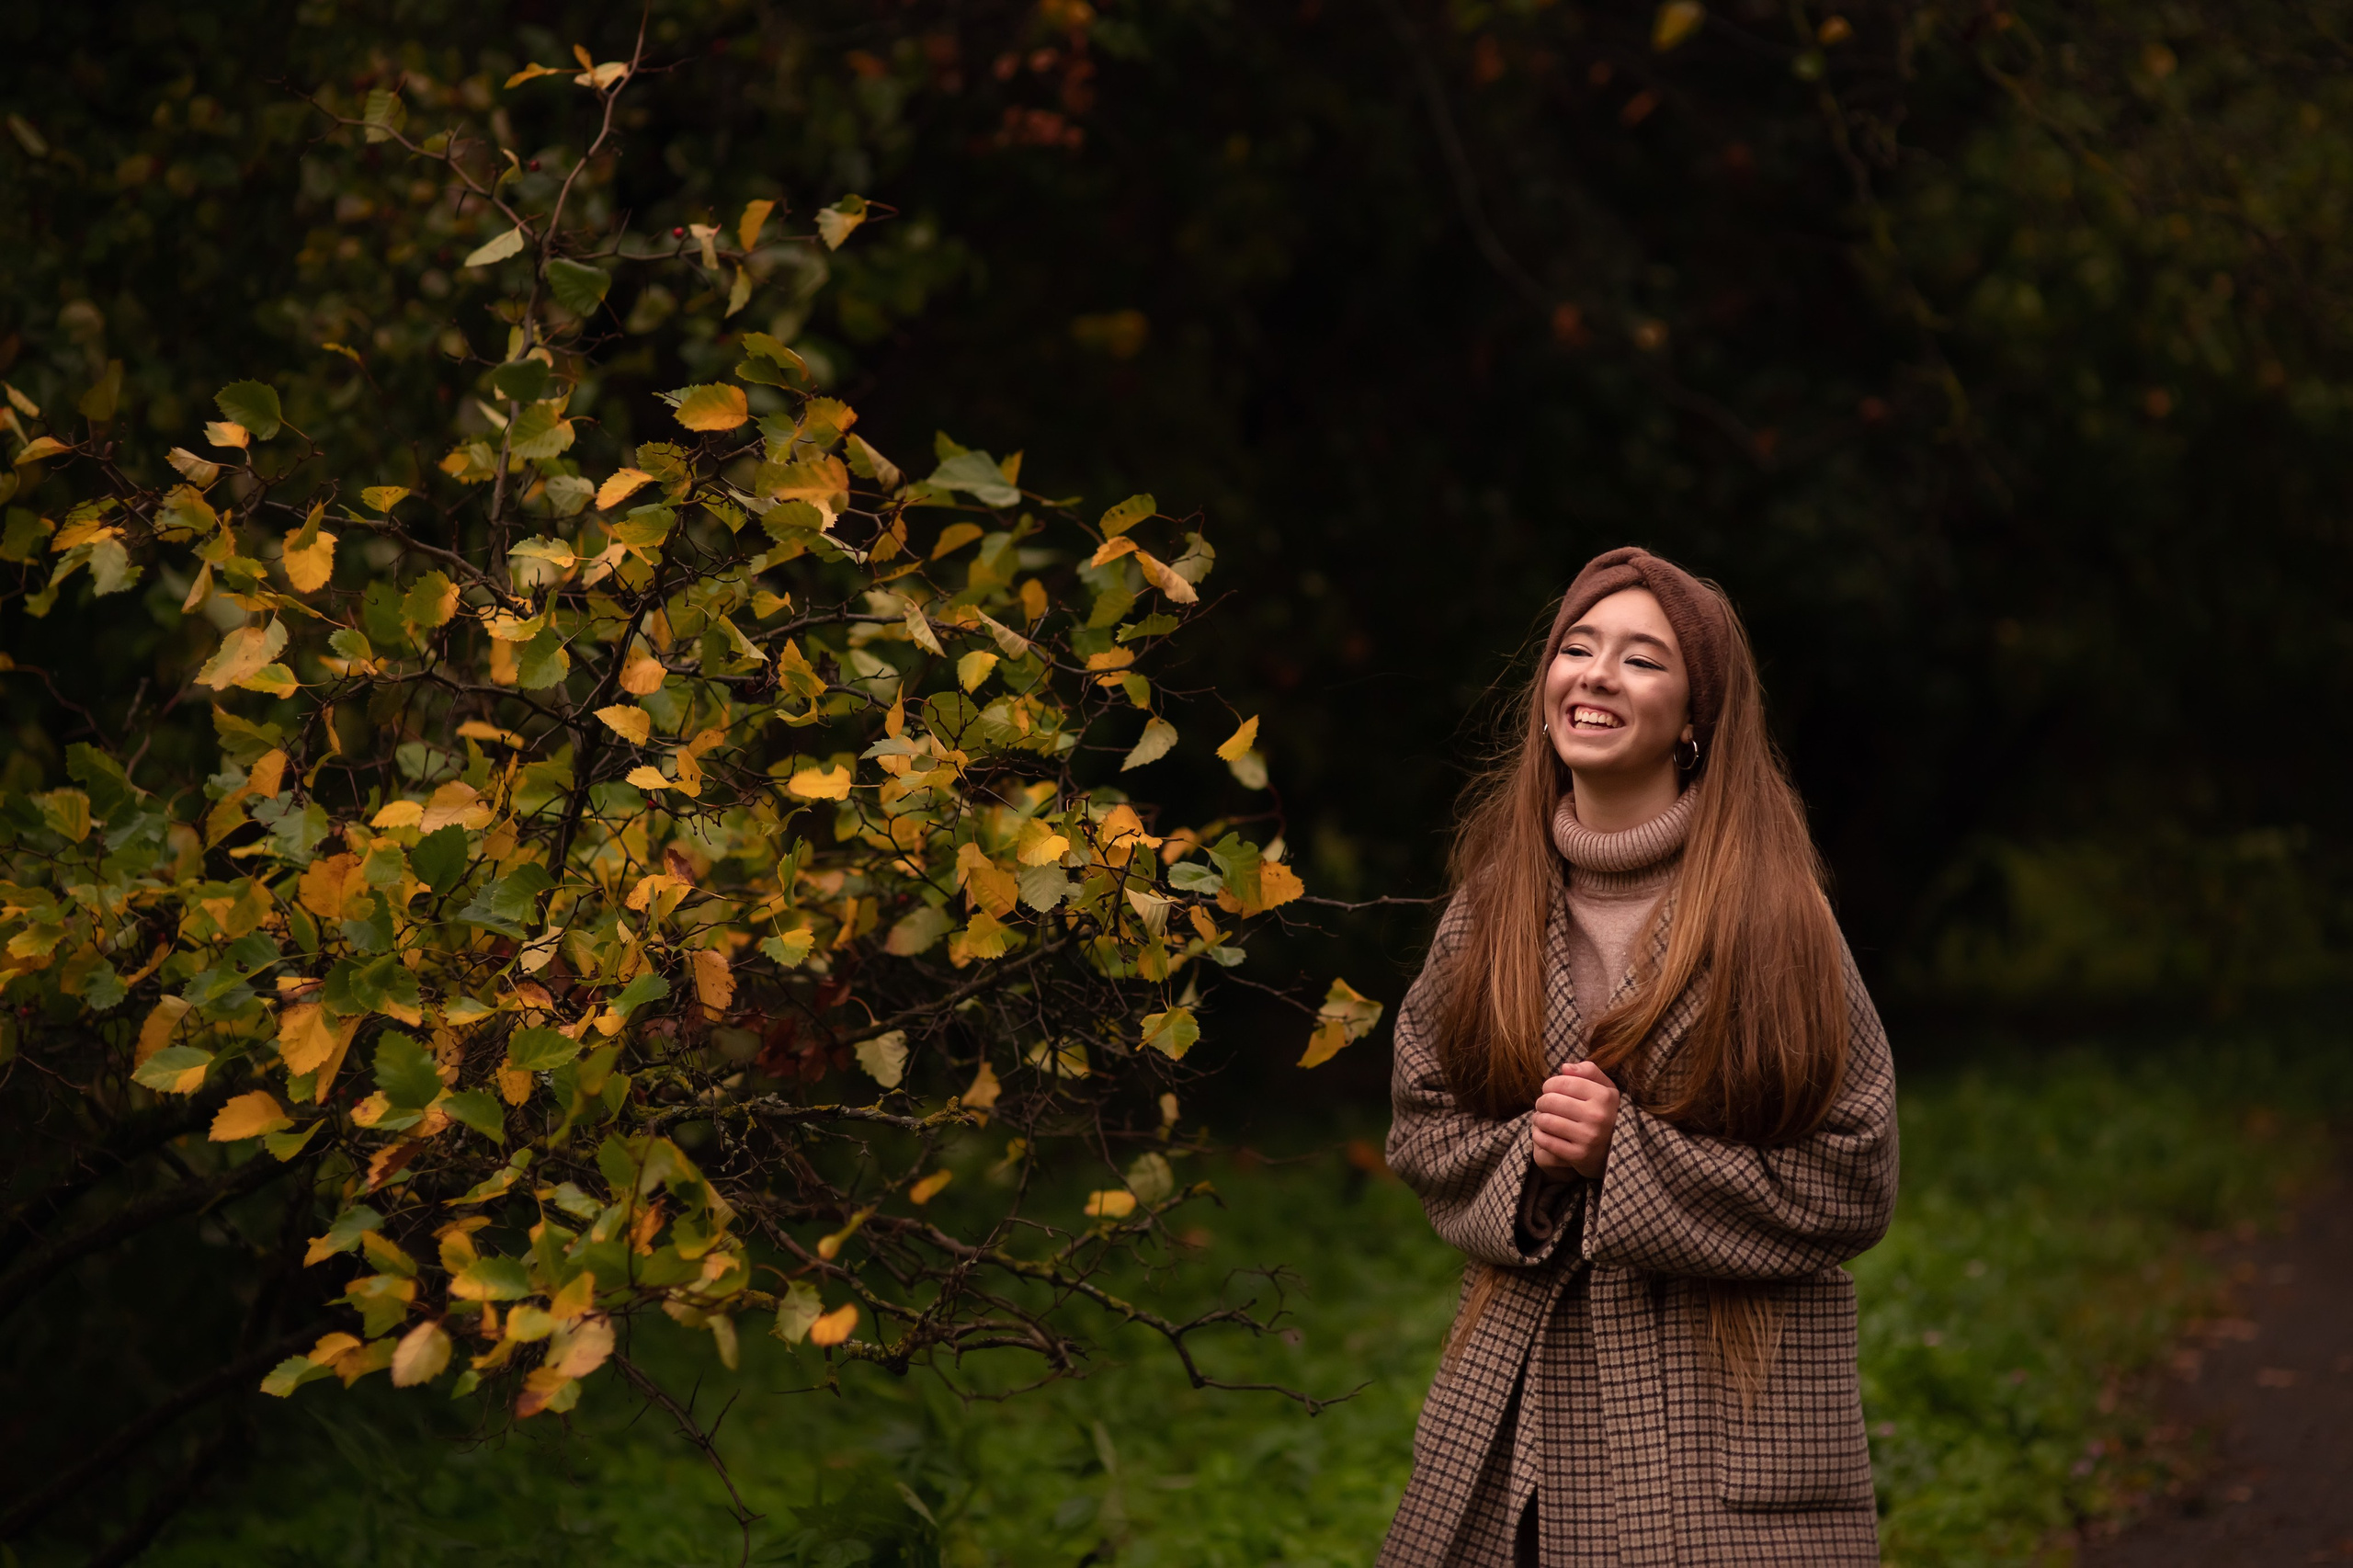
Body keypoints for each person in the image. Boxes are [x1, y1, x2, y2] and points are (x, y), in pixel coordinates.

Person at [1379, 547, 1898, 1567]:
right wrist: (1534, 1154)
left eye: (1643, 659)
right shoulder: (1489, 911)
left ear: (1696, 716)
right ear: (1545, 694)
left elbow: (1856, 1171)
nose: (1598, 674)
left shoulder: (1779, 920)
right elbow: (1421, 1123)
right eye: (1577, 648)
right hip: (1523, 1422)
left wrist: (1631, 1155)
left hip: (1726, 1425)